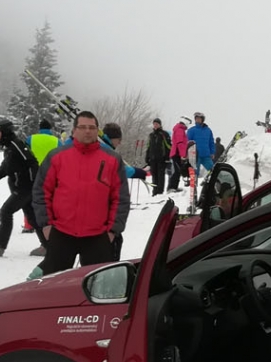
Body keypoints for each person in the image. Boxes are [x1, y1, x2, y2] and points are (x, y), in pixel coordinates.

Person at [32, 111, 127, 275]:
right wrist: (46, 224)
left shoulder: (112, 159)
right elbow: (41, 191)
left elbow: (121, 198)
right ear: (74, 130)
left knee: (98, 285)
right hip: (62, 233)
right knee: (55, 284)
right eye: (82, 127)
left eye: (92, 127)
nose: (87, 131)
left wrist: (113, 230)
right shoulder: (56, 157)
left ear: (97, 131)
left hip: (98, 236)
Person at [0, 120, 38, 257]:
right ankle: (48, 246)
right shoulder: (9, 148)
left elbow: (32, 163)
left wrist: (32, 185)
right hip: (23, 188)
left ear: (5, 133)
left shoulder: (16, 145)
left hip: (24, 188)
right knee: (33, 217)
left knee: (6, 211)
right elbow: (4, 170)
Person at [99, 123, 138, 260]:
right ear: (112, 138)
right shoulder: (104, 149)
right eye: (119, 139)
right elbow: (116, 168)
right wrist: (135, 172)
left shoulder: (103, 147)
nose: (120, 143)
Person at [145, 118, 171, 197]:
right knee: (154, 175)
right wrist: (147, 157)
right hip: (152, 158)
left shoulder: (164, 134)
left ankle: (160, 191)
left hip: (161, 159)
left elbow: (168, 146)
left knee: (160, 175)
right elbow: (148, 147)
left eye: (157, 124)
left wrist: (167, 157)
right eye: (154, 124)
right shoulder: (151, 135)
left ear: (160, 125)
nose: (155, 125)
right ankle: (155, 191)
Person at [187, 112, 216, 179]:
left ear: (202, 119)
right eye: (196, 118)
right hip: (195, 156)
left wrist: (212, 152)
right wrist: (187, 154)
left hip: (206, 155)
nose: (197, 120)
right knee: (194, 174)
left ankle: (214, 183)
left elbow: (211, 142)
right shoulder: (191, 130)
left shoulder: (208, 130)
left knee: (213, 170)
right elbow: (188, 143)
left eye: (199, 118)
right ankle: (193, 185)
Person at [168, 117, 189, 191]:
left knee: (178, 170)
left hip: (177, 153)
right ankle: (172, 187)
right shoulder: (180, 130)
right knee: (177, 171)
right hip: (177, 153)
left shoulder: (179, 129)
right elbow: (180, 143)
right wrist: (183, 155)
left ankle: (174, 186)